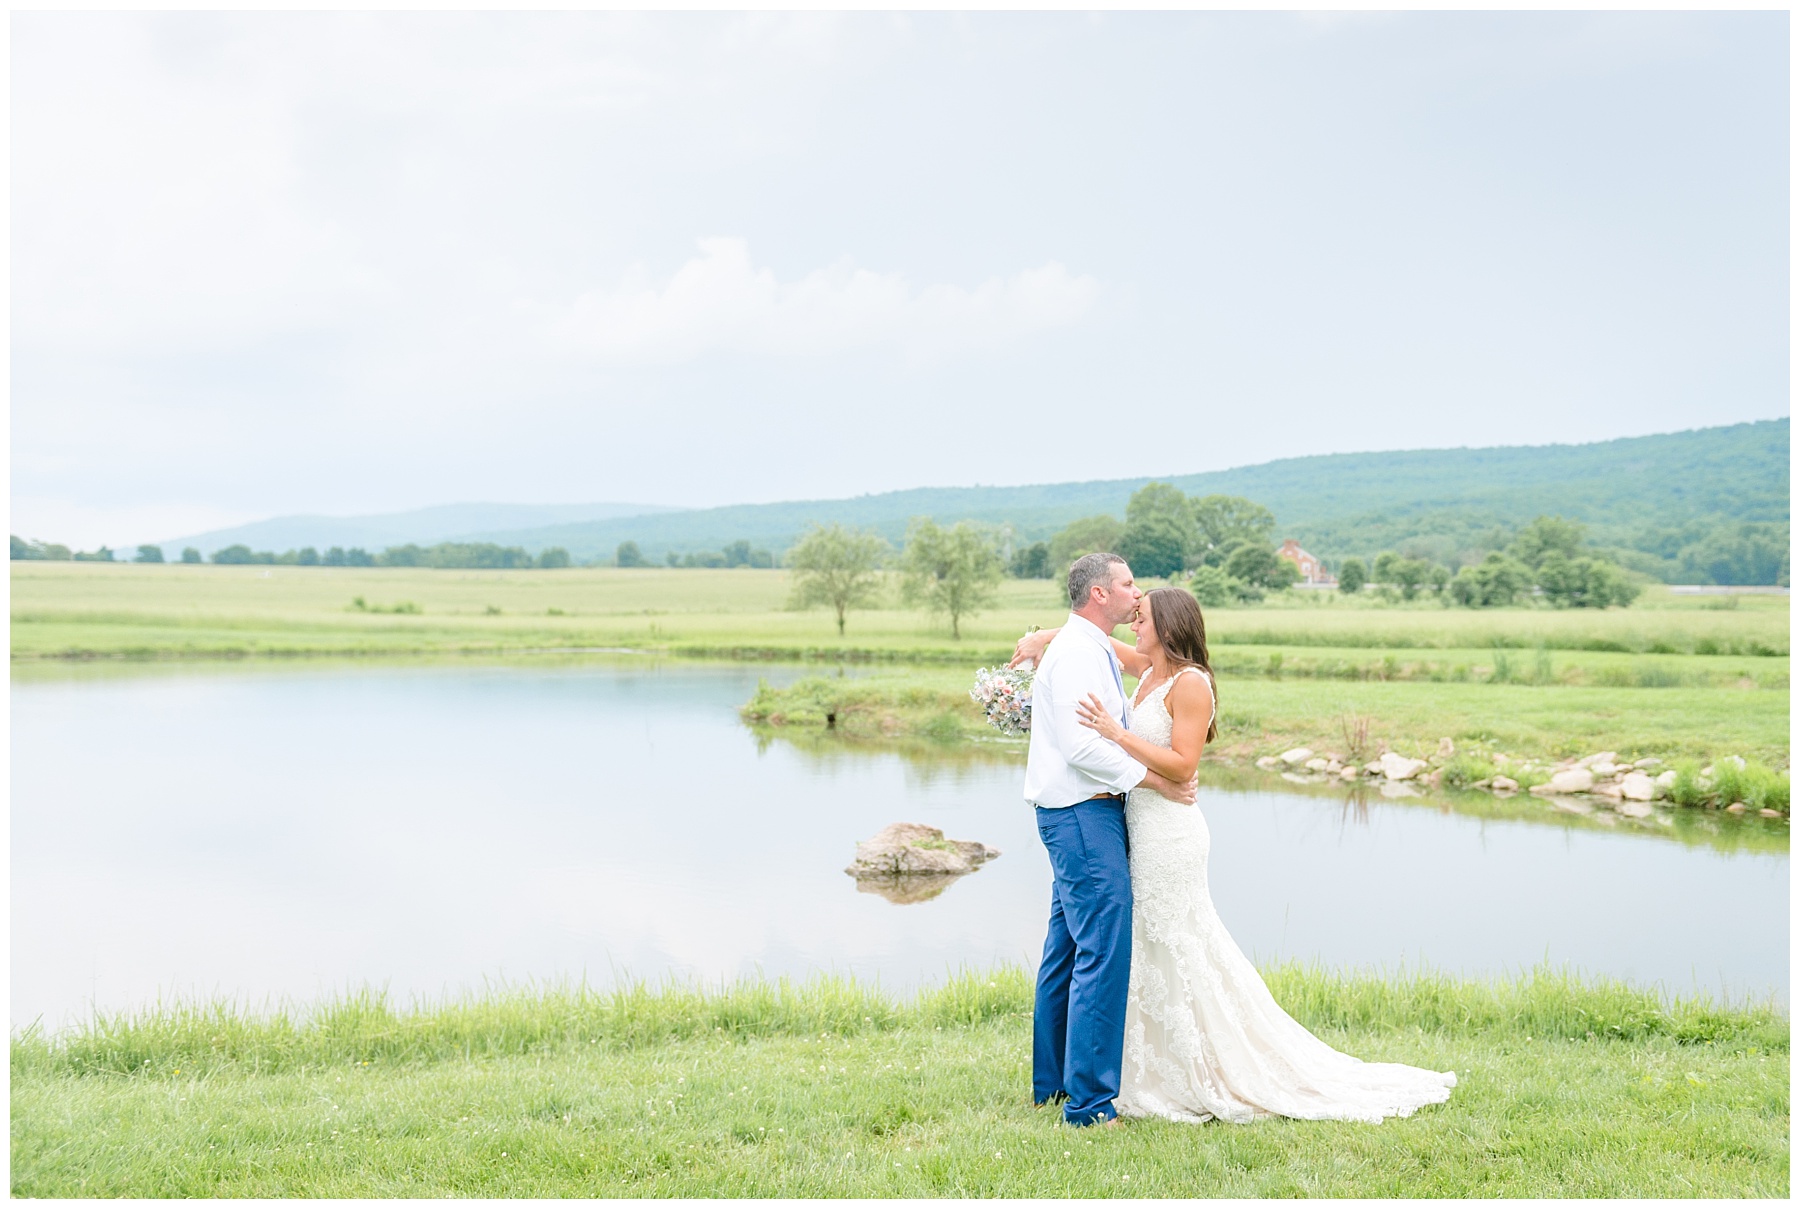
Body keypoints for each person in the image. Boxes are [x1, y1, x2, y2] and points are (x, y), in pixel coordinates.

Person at [1015, 586, 1456, 1124]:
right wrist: (1042, 636)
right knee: (1146, 946)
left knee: (1180, 943)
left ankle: (1205, 1065)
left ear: (1170, 627)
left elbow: (1183, 766)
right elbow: (1090, 637)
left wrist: (1116, 734)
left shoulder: (1191, 683)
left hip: (1170, 833)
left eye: (1144, 617)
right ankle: (1139, 1067)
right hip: (1140, 822)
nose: (1134, 622)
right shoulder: (1149, 668)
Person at [1022, 553, 1199, 1127]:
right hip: (1081, 813)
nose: (1136, 592)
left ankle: (1053, 1086)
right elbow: (1082, 748)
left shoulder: (1089, 646)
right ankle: (1091, 1105)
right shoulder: (1077, 653)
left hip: (1082, 812)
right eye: (1127, 584)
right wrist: (1154, 781)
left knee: (1068, 949)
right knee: (1102, 950)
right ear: (1100, 593)